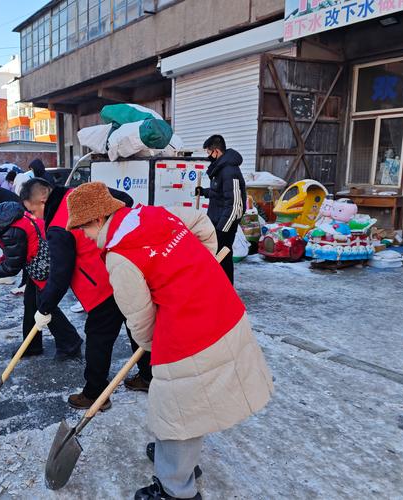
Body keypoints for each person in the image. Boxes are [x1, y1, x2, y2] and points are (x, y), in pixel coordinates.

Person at [66, 182, 273, 500]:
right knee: (194, 400)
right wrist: (198, 268)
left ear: (96, 219)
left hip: (189, 333)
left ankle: (176, 488)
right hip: (223, 308)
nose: (84, 236)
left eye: (82, 228)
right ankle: (178, 461)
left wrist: (149, 343)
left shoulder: (119, 257)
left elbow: (139, 318)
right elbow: (202, 223)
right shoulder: (152, 214)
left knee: (175, 410)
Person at [35, 181, 154, 410]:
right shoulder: (78, 193)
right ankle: (149, 377)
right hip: (124, 271)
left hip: (101, 285)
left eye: (32, 210)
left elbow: (59, 276)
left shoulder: (58, 228)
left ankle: (95, 393)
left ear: (42, 200)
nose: (35, 216)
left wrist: (45, 307)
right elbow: (125, 199)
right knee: (137, 325)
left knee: (99, 337)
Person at [0, 197, 82, 360]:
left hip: (44, 264)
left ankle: (70, 343)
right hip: (39, 260)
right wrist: (2, 260)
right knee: (31, 303)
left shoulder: (10, 230)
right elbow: (15, 252)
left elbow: (12, 267)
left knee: (45, 305)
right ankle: (32, 345)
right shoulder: (9, 218)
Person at [195, 135, 246, 284]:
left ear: (216, 151)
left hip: (225, 224)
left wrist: (222, 229)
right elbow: (219, 194)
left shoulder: (230, 171)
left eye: (209, 152)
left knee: (223, 256)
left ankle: (227, 289)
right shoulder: (220, 169)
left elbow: (236, 204)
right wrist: (204, 192)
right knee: (216, 257)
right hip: (217, 221)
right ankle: (218, 288)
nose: (208, 156)